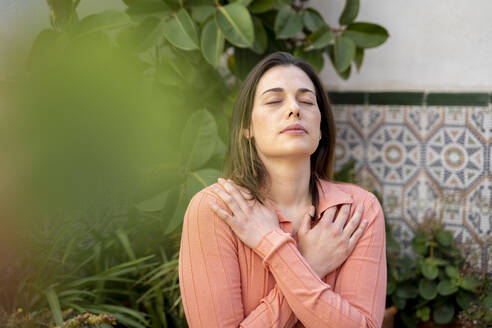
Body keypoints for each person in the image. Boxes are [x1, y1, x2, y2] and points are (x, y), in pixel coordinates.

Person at [178, 51, 387, 328]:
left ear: (321, 126)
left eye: (307, 101)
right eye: (275, 100)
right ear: (245, 127)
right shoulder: (216, 210)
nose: (294, 109)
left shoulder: (358, 210)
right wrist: (310, 265)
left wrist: (273, 247)